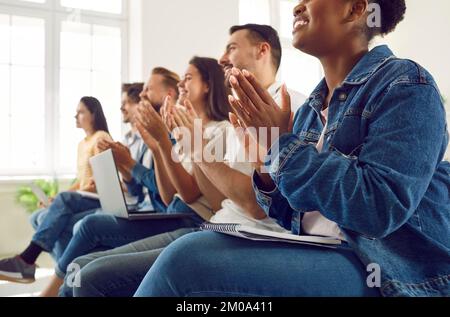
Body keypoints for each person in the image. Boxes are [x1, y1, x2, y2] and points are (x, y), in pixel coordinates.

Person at [134, 0, 450, 297]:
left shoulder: (407, 83)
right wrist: (266, 170)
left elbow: (379, 207)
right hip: (313, 246)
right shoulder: (310, 110)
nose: (297, 5)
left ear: (356, 9)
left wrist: (280, 146)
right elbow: (291, 214)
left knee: (185, 262)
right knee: (183, 253)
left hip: (377, 265)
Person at [61, 24, 308, 297]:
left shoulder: (282, 107)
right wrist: (167, 145)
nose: (222, 58)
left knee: (88, 275)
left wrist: (191, 145)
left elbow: (250, 204)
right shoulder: (239, 114)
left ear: (262, 50)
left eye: (232, 48)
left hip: (233, 230)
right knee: (83, 268)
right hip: (216, 224)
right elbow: (205, 199)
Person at [0, 97, 112, 284]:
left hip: (99, 198)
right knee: (37, 216)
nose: (76, 115)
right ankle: (67, 274)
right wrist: (60, 197)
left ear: (93, 114)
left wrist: (70, 195)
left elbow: (103, 177)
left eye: (81, 111)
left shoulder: (101, 137)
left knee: (64, 202)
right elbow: (81, 180)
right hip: (85, 197)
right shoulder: (82, 143)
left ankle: (27, 259)